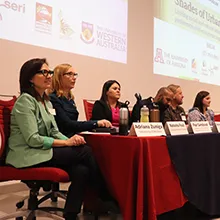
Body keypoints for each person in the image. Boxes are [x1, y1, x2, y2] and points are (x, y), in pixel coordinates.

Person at [5, 58, 114, 220]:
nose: (49, 75)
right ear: (30, 78)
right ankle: (105, 197)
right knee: (86, 152)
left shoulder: (46, 102)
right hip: (27, 153)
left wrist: (71, 140)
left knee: (81, 170)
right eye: (44, 72)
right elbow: (32, 139)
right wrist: (66, 142)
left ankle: (71, 213)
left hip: (41, 150)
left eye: (49, 72)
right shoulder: (25, 102)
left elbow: (54, 132)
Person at [49, 63, 112, 138]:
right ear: (58, 77)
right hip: (62, 139)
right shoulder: (53, 98)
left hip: (72, 136)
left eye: (74, 74)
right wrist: (96, 123)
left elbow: (74, 124)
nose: (74, 78)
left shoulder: (70, 99)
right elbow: (67, 124)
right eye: (69, 74)